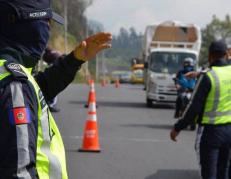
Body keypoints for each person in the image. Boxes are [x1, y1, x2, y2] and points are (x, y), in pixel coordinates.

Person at [0, 1, 112, 179]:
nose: (49, 30)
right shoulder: (14, 84)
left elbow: (37, 92)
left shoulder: (9, 74)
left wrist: (74, 59)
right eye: (46, 23)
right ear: (28, 26)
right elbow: (19, 173)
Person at [170, 40, 231, 179]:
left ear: (210, 56)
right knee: (224, 172)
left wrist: (178, 127)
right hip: (230, 131)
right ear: (226, 54)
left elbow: (193, 107)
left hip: (211, 132)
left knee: (209, 173)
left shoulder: (208, 76)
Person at [42, 47, 63, 112]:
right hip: (56, 70)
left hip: (52, 70)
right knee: (54, 89)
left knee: (49, 88)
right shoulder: (55, 53)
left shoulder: (46, 55)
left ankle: (49, 104)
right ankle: (51, 105)